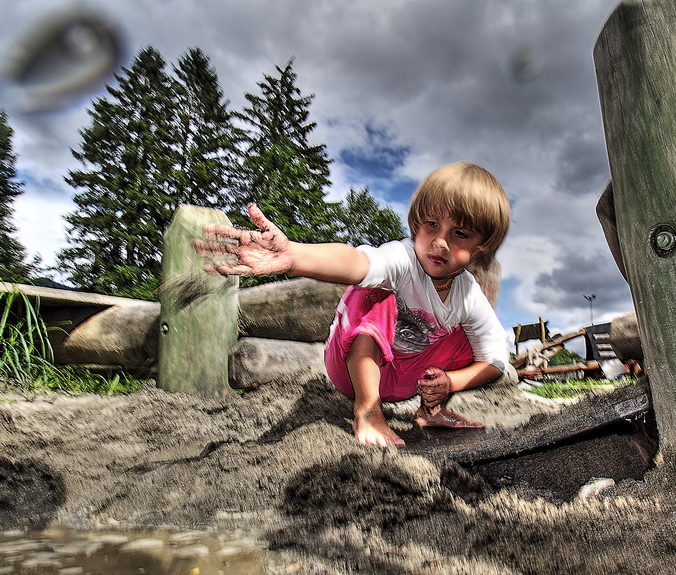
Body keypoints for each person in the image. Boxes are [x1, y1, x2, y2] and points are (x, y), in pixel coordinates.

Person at [195, 162, 511, 447]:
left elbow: (496, 361)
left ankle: (432, 411)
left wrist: (449, 382)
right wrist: (293, 256)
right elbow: (357, 261)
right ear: (417, 224)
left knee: (470, 338)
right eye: (431, 225)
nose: (440, 242)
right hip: (351, 368)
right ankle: (368, 411)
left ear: (481, 248)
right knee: (374, 290)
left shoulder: (468, 294)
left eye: (459, 234)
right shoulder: (402, 259)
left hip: (405, 378)